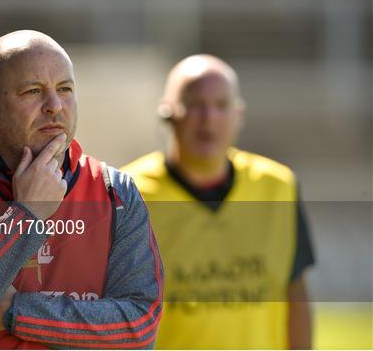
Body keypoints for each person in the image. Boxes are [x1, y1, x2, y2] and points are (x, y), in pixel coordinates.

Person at [0, 30, 163, 349]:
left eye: (65, 89)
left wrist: (14, 312)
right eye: (32, 91)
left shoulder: (115, 192)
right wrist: (28, 213)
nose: (54, 106)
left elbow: (137, 330)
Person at [122, 54, 315, 349]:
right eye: (195, 104)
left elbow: (295, 293)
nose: (209, 118)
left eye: (221, 106)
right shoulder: (127, 194)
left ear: (239, 114)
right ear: (167, 112)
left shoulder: (278, 187)